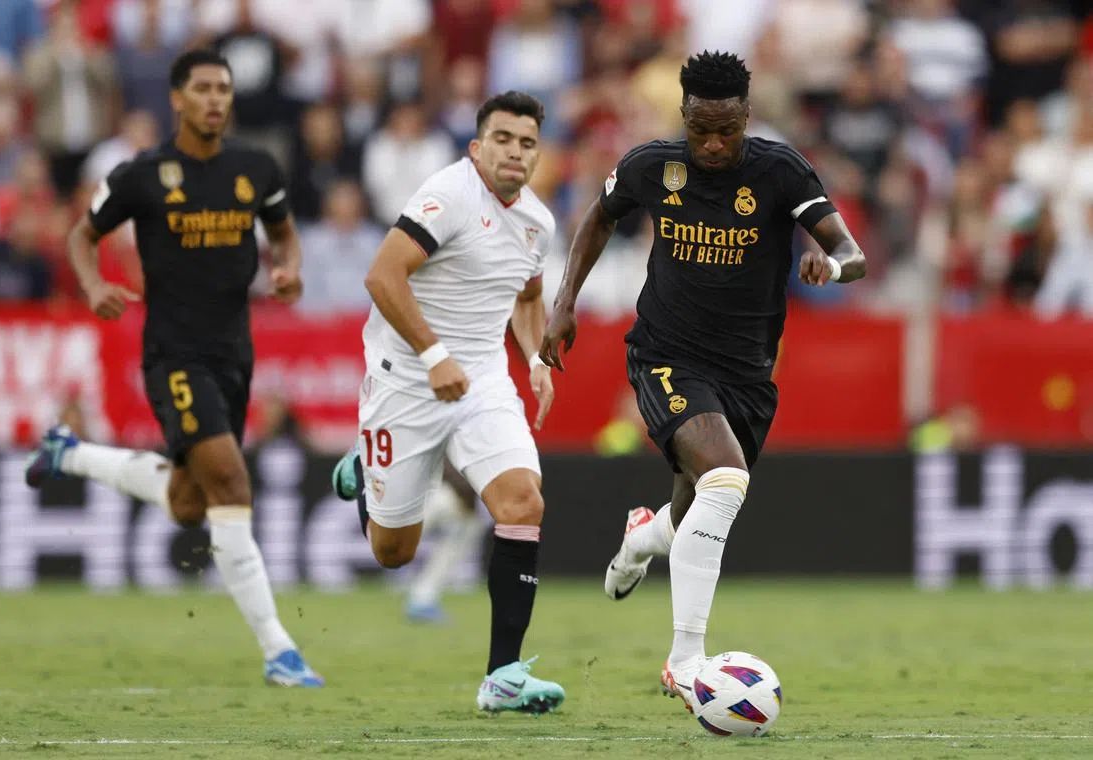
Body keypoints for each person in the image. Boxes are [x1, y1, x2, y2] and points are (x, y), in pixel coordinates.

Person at [539, 50, 866, 712]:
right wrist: (564, 302)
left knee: (696, 511)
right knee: (725, 479)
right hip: (666, 354)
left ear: (746, 116)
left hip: (746, 373)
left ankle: (644, 537)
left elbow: (850, 252)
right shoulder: (651, 165)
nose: (713, 144)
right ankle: (686, 662)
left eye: (727, 130)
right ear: (683, 115)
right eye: (700, 130)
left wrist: (830, 269)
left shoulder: (780, 171)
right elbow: (600, 216)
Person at [23, 48, 322, 688]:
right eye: (203, 88)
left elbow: (284, 232)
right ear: (177, 99)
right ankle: (279, 649)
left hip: (234, 353)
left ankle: (69, 453)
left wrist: (289, 268)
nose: (215, 99)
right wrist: (92, 285)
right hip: (174, 354)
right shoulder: (142, 175)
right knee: (232, 484)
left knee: (190, 503)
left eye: (224, 89)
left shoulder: (256, 167)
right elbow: (82, 235)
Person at [341, 90, 564, 713]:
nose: (514, 152)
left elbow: (527, 297)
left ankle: (503, 676)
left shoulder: (538, 222)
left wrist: (536, 359)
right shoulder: (449, 194)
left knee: (522, 502)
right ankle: (363, 467)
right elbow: (383, 275)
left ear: (537, 154)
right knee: (393, 553)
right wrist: (434, 355)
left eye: (526, 143)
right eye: (502, 139)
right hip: (407, 379)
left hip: (483, 380)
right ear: (477, 146)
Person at [332, 454, 485, 624]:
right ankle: (360, 461)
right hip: (427, 486)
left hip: (446, 492)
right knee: (399, 533)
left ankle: (422, 598)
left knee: (468, 527)